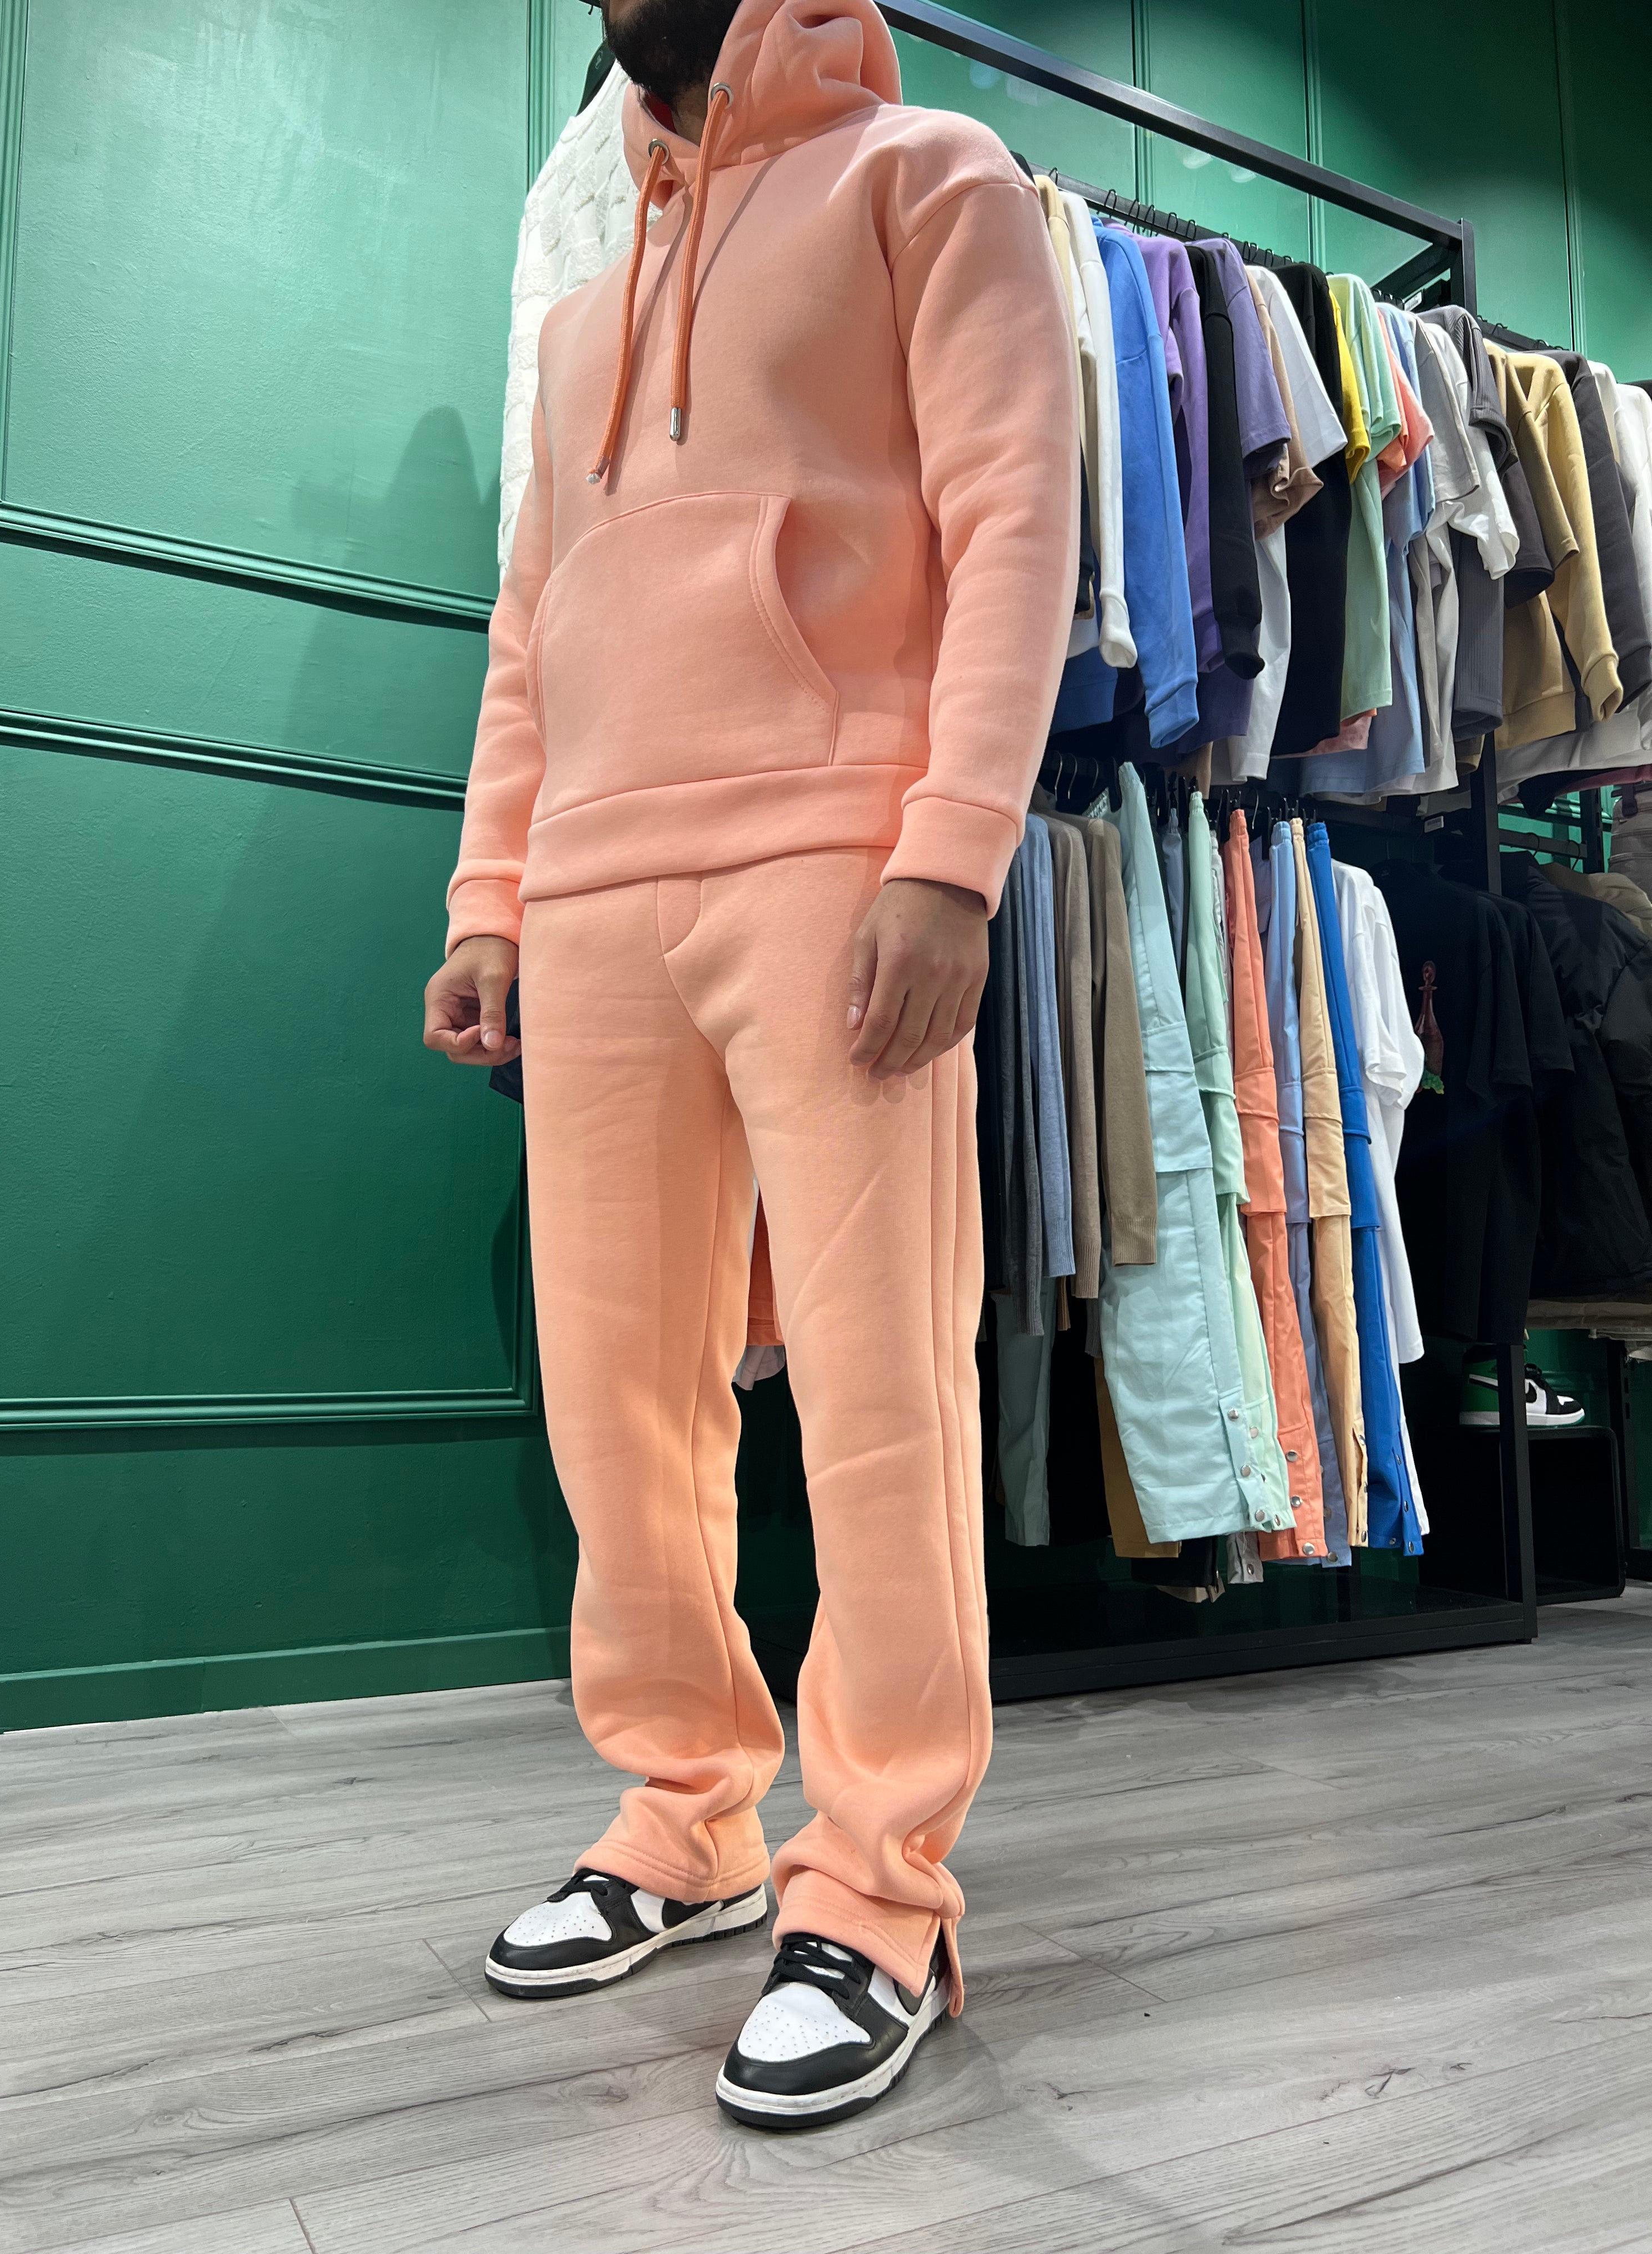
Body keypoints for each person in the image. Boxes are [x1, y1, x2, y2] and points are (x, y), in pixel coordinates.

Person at [423, 0, 1076, 2128]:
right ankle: (688, 1810)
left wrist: (953, 855)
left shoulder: (930, 179)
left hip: (832, 856)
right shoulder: (581, 311)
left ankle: (879, 1883)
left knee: (881, 1386)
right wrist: (489, 894)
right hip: (593, 888)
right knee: (616, 1395)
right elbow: (531, 630)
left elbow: (1015, 515)